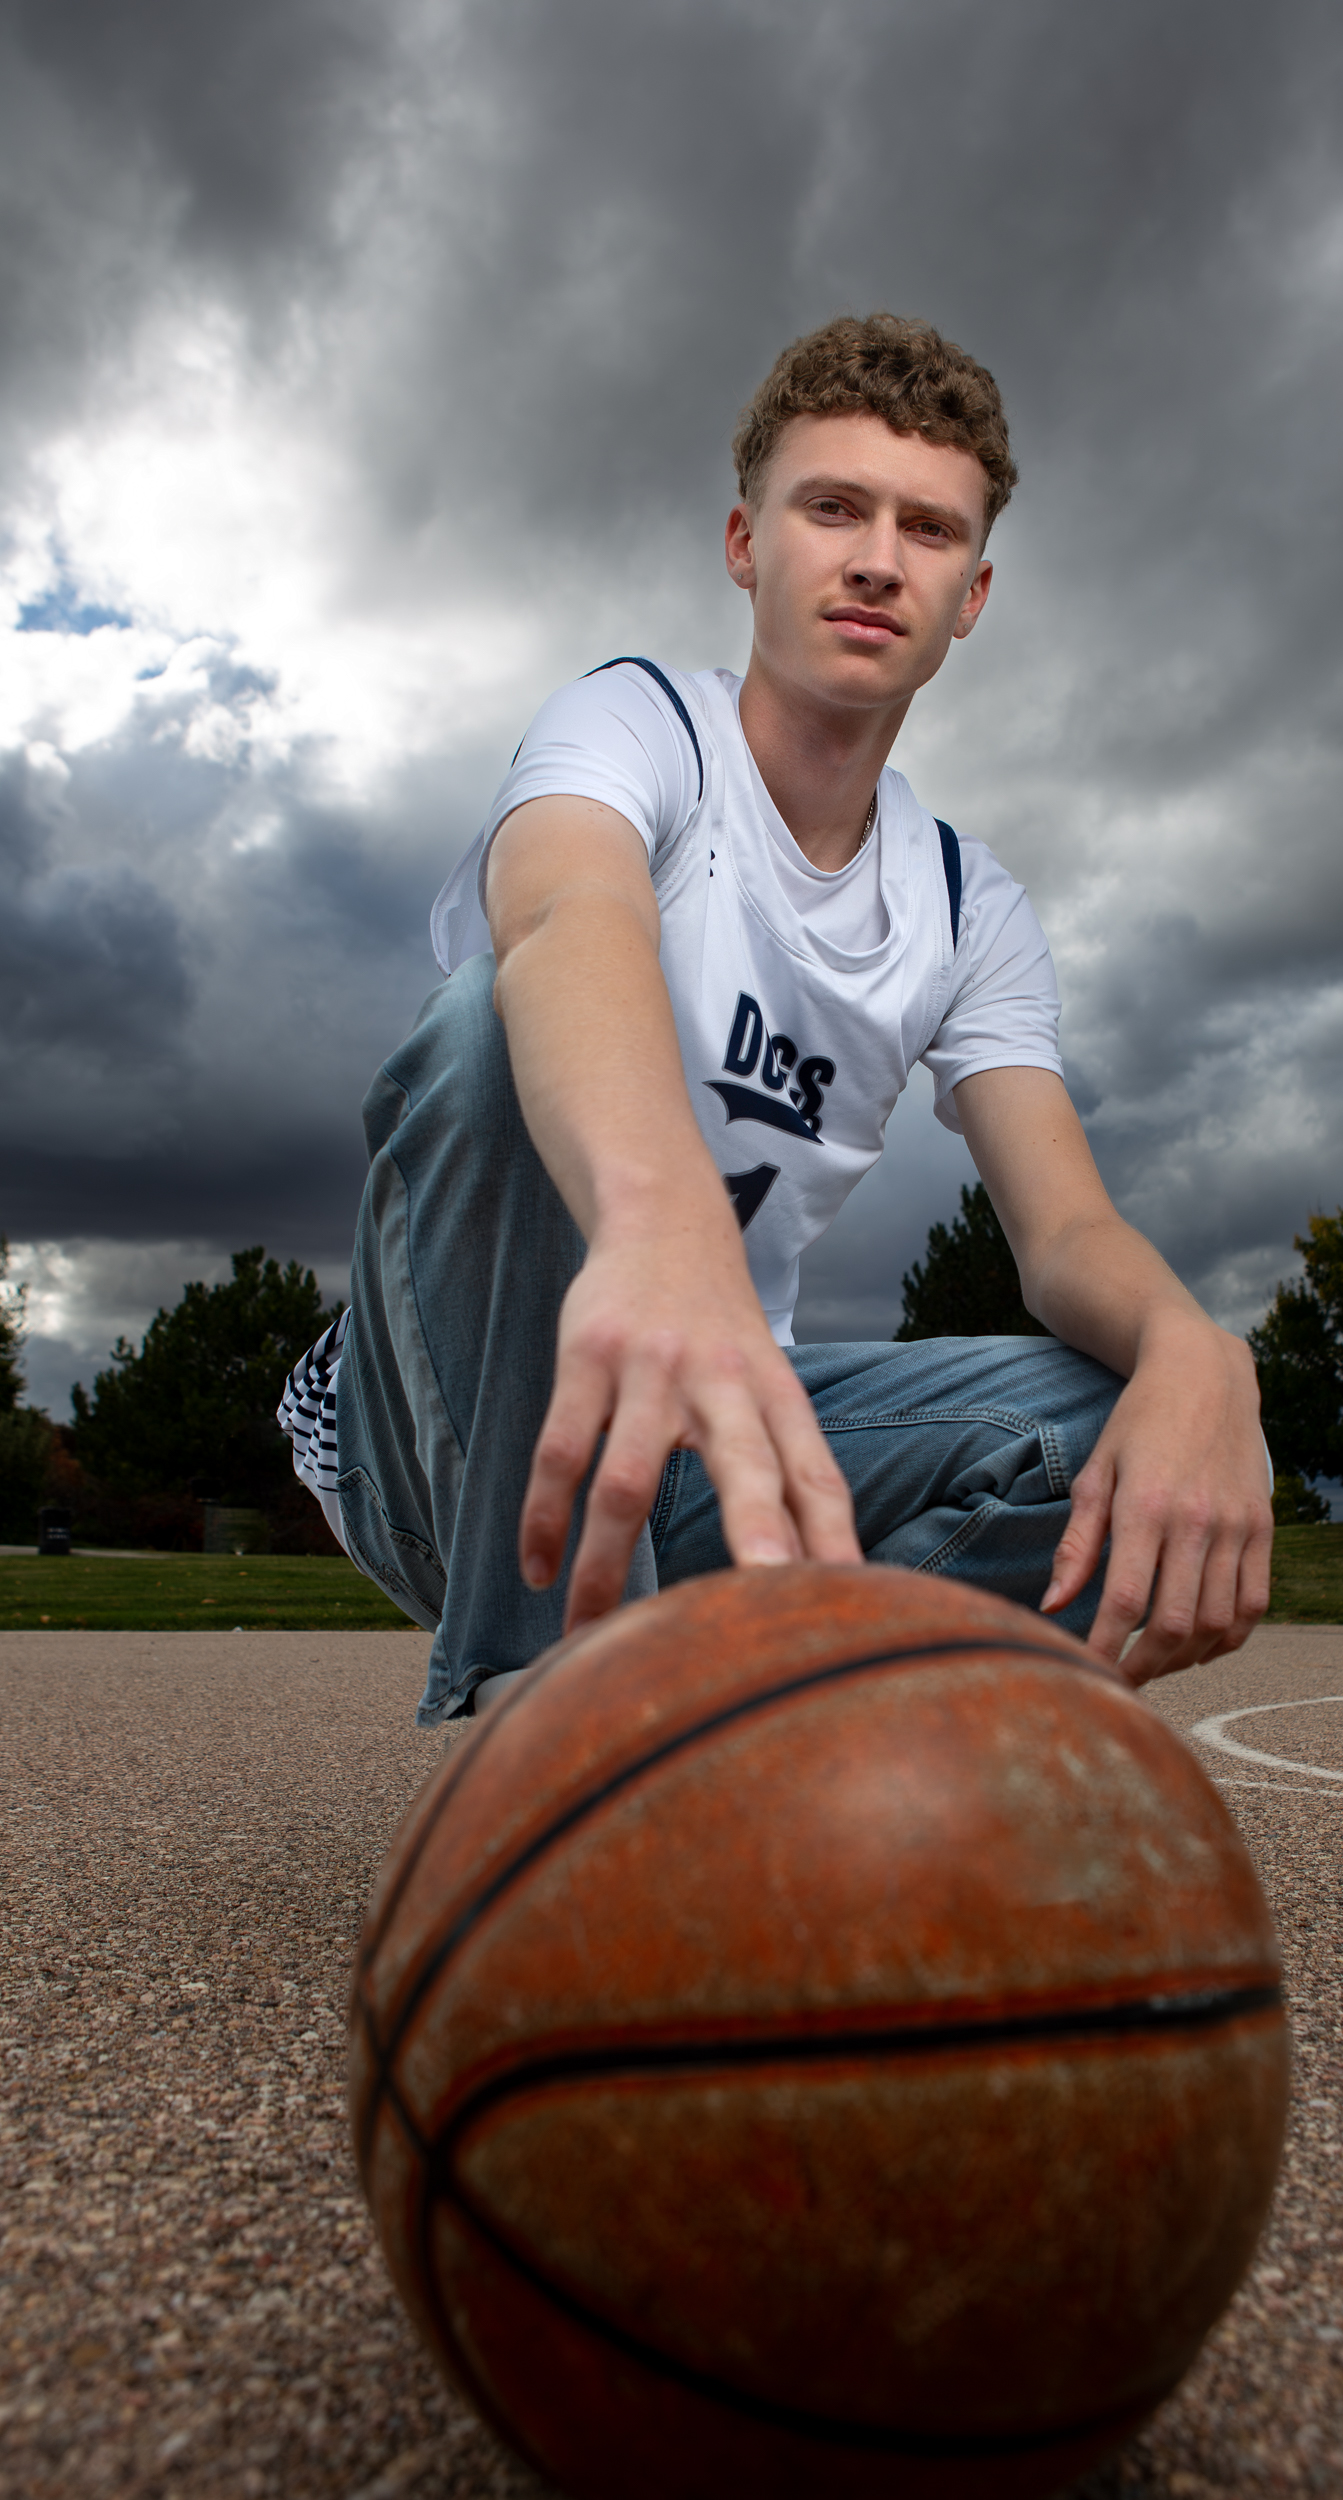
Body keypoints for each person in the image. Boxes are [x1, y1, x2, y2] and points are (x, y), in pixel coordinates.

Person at [279, 313, 1271, 1725]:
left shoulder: (965, 903)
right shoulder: (636, 726)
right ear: (748, 545)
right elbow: (567, 917)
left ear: (973, 595)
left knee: (1128, 1415)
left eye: (928, 530)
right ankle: (541, 1705)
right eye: (833, 507)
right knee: (486, 1023)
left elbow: (1068, 1238)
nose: (878, 558)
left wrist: (1199, 1355)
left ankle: (765, 1699)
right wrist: (661, 1226)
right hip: (446, 1438)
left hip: (721, 1453)